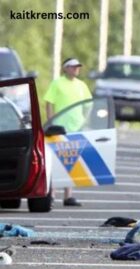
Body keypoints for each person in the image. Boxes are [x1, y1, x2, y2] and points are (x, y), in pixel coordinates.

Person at [44, 58, 92, 207]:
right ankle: (51, 194)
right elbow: (49, 102)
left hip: (76, 128)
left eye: (78, 67)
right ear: (66, 68)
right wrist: (51, 120)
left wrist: (85, 119)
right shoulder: (57, 83)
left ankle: (68, 195)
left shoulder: (81, 85)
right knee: (56, 161)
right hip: (59, 128)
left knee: (72, 162)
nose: (76, 69)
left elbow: (88, 104)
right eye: (73, 67)